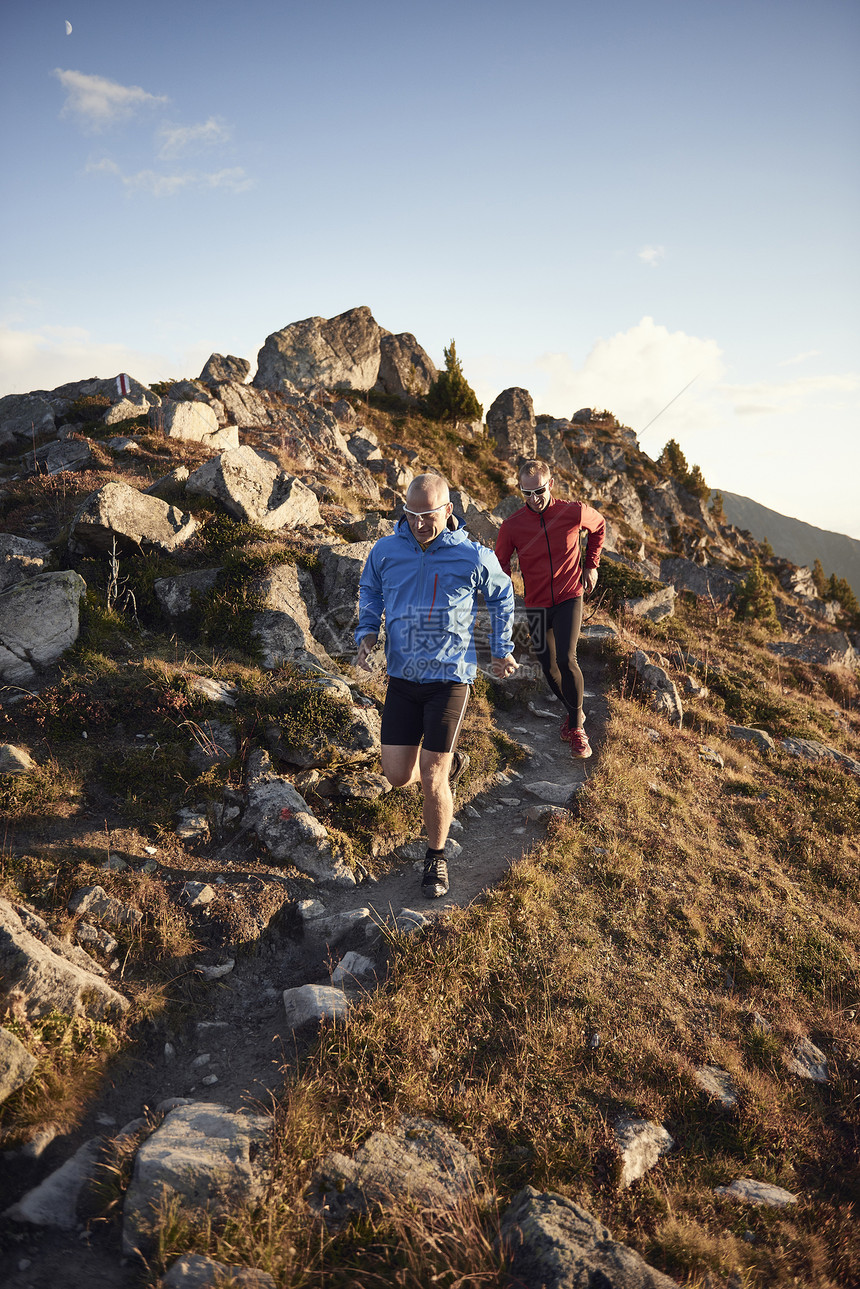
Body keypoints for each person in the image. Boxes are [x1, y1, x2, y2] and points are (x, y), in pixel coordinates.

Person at [356, 473, 517, 898]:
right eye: (411, 515)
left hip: (449, 679)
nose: (419, 523)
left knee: (430, 776)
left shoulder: (472, 556)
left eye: (428, 515)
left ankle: (436, 859)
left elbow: (503, 594)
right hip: (402, 677)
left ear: (448, 511)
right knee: (396, 776)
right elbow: (370, 589)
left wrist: (501, 648)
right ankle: (452, 766)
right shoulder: (386, 550)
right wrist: (367, 632)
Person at [495, 460, 605, 759]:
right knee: (547, 665)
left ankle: (577, 727)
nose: (534, 499)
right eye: (526, 493)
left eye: (539, 491)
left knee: (567, 659)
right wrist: (504, 588)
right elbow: (499, 564)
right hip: (537, 603)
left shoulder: (573, 512)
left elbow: (599, 526)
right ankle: (575, 714)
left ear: (551, 484)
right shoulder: (512, 525)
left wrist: (591, 565)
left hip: (570, 595)